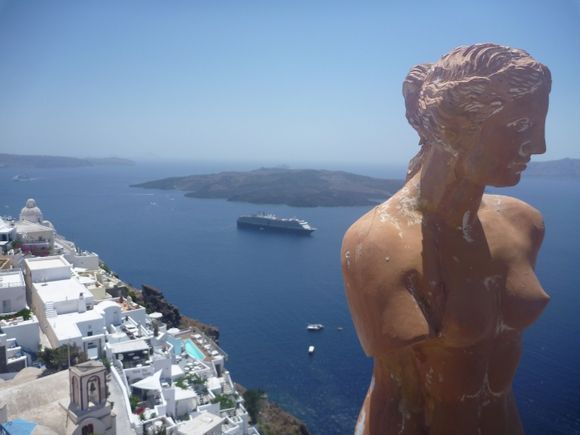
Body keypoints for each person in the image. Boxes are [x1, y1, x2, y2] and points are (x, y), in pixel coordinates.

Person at [341, 43, 551, 435]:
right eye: (520, 125)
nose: (539, 145)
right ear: (456, 124)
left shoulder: (525, 223)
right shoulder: (378, 244)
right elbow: (396, 396)